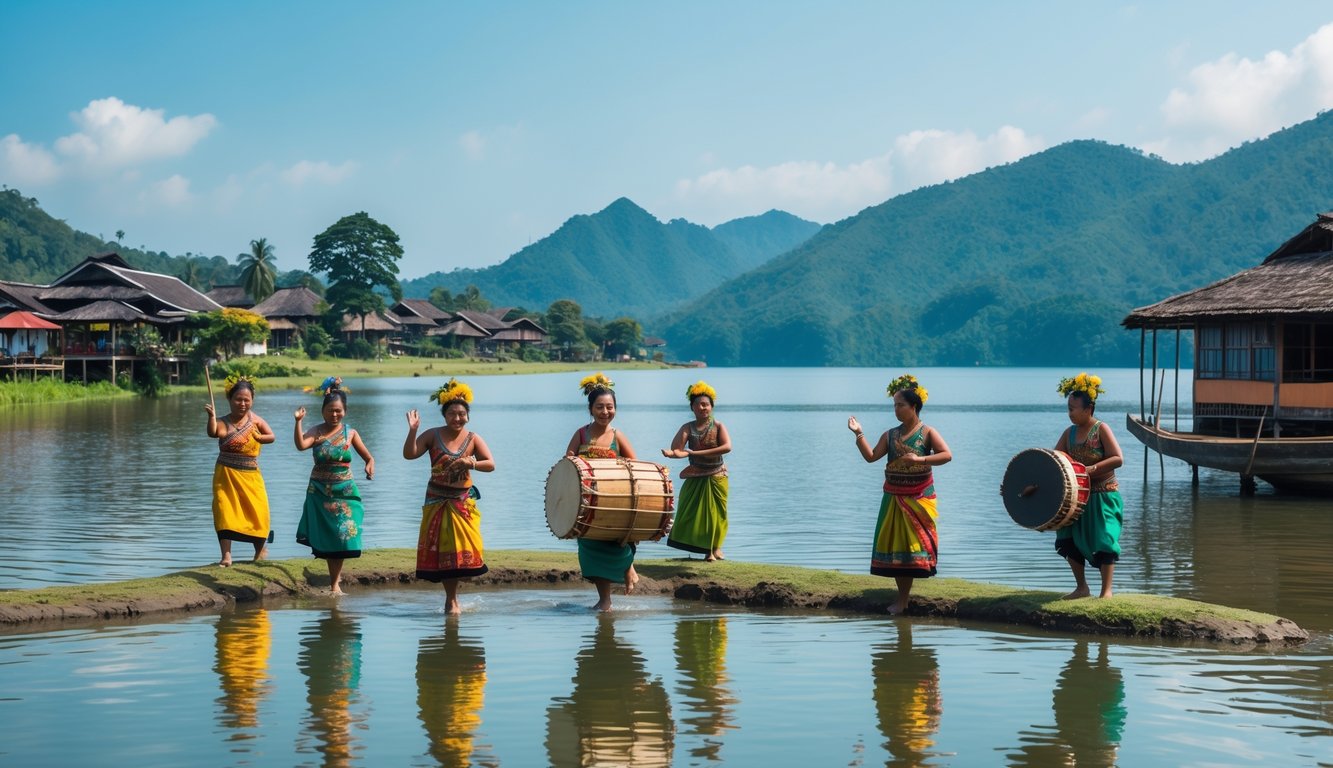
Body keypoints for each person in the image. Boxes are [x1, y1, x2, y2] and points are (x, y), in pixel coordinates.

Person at [848, 373, 952, 615]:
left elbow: (947, 455)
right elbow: (871, 457)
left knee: (912, 549)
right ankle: (902, 599)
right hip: (894, 497)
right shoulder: (890, 435)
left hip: (918, 498)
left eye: (900, 405)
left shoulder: (927, 433)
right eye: (894, 405)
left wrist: (920, 458)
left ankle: (903, 599)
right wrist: (858, 433)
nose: (896, 410)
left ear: (914, 407)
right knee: (897, 551)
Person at [403, 377, 494, 614]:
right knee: (443, 551)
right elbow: (409, 454)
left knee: (462, 551)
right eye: (452, 414)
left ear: (468, 416)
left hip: (462, 502)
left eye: (462, 414)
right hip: (436, 500)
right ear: (444, 416)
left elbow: (490, 464)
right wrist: (413, 432)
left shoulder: (473, 438)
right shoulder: (433, 435)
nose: (457, 418)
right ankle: (451, 600)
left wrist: (470, 463)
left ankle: (453, 597)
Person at [564, 372, 641, 611]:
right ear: (590, 408)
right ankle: (605, 599)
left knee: (615, 544)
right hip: (587, 505)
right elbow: (567, 461)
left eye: (610, 407)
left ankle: (629, 567)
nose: (605, 412)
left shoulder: (618, 436)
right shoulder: (581, 434)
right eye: (600, 407)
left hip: (614, 502)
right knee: (589, 550)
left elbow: (634, 465)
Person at [294, 377, 375, 596]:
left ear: (345, 411)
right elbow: (301, 445)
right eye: (330, 410)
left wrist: (369, 465)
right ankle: (334, 584)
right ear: (323, 411)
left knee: (346, 533)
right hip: (320, 492)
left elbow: (368, 457)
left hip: (345, 492)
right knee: (329, 539)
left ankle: (335, 582)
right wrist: (298, 422)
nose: (334, 414)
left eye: (338, 410)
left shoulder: (351, 433)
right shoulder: (316, 432)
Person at [1053, 372, 1123, 599]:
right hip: (1078, 499)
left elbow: (1117, 458)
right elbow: (1054, 460)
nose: (1069, 413)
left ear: (1088, 409)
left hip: (1103, 495)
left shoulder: (1101, 429)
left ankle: (1107, 591)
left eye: (1073, 409)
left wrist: (1091, 470)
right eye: (1068, 408)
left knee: (1104, 539)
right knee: (1066, 538)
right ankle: (1082, 587)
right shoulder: (1068, 433)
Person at [205, 375, 276, 567]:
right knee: (224, 511)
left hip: (251, 475)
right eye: (238, 399)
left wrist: (261, 438)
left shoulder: (256, 420)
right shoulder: (222, 421)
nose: (243, 403)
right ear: (229, 399)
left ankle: (259, 552)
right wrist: (211, 417)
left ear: (252, 400)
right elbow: (213, 432)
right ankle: (226, 556)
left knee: (258, 513)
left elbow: (272, 436)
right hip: (226, 475)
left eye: (247, 399)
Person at [661, 380, 731, 561]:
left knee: (717, 514)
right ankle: (704, 548)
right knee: (690, 511)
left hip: (716, 474)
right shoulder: (687, 427)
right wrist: (672, 454)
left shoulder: (718, 426)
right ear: (692, 407)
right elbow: (679, 449)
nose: (703, 408)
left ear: (712, 406)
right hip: (695, 474)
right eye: (699, 404)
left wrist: (700, 452)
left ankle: (715, 549)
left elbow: (727, 447)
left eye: (706, 404)